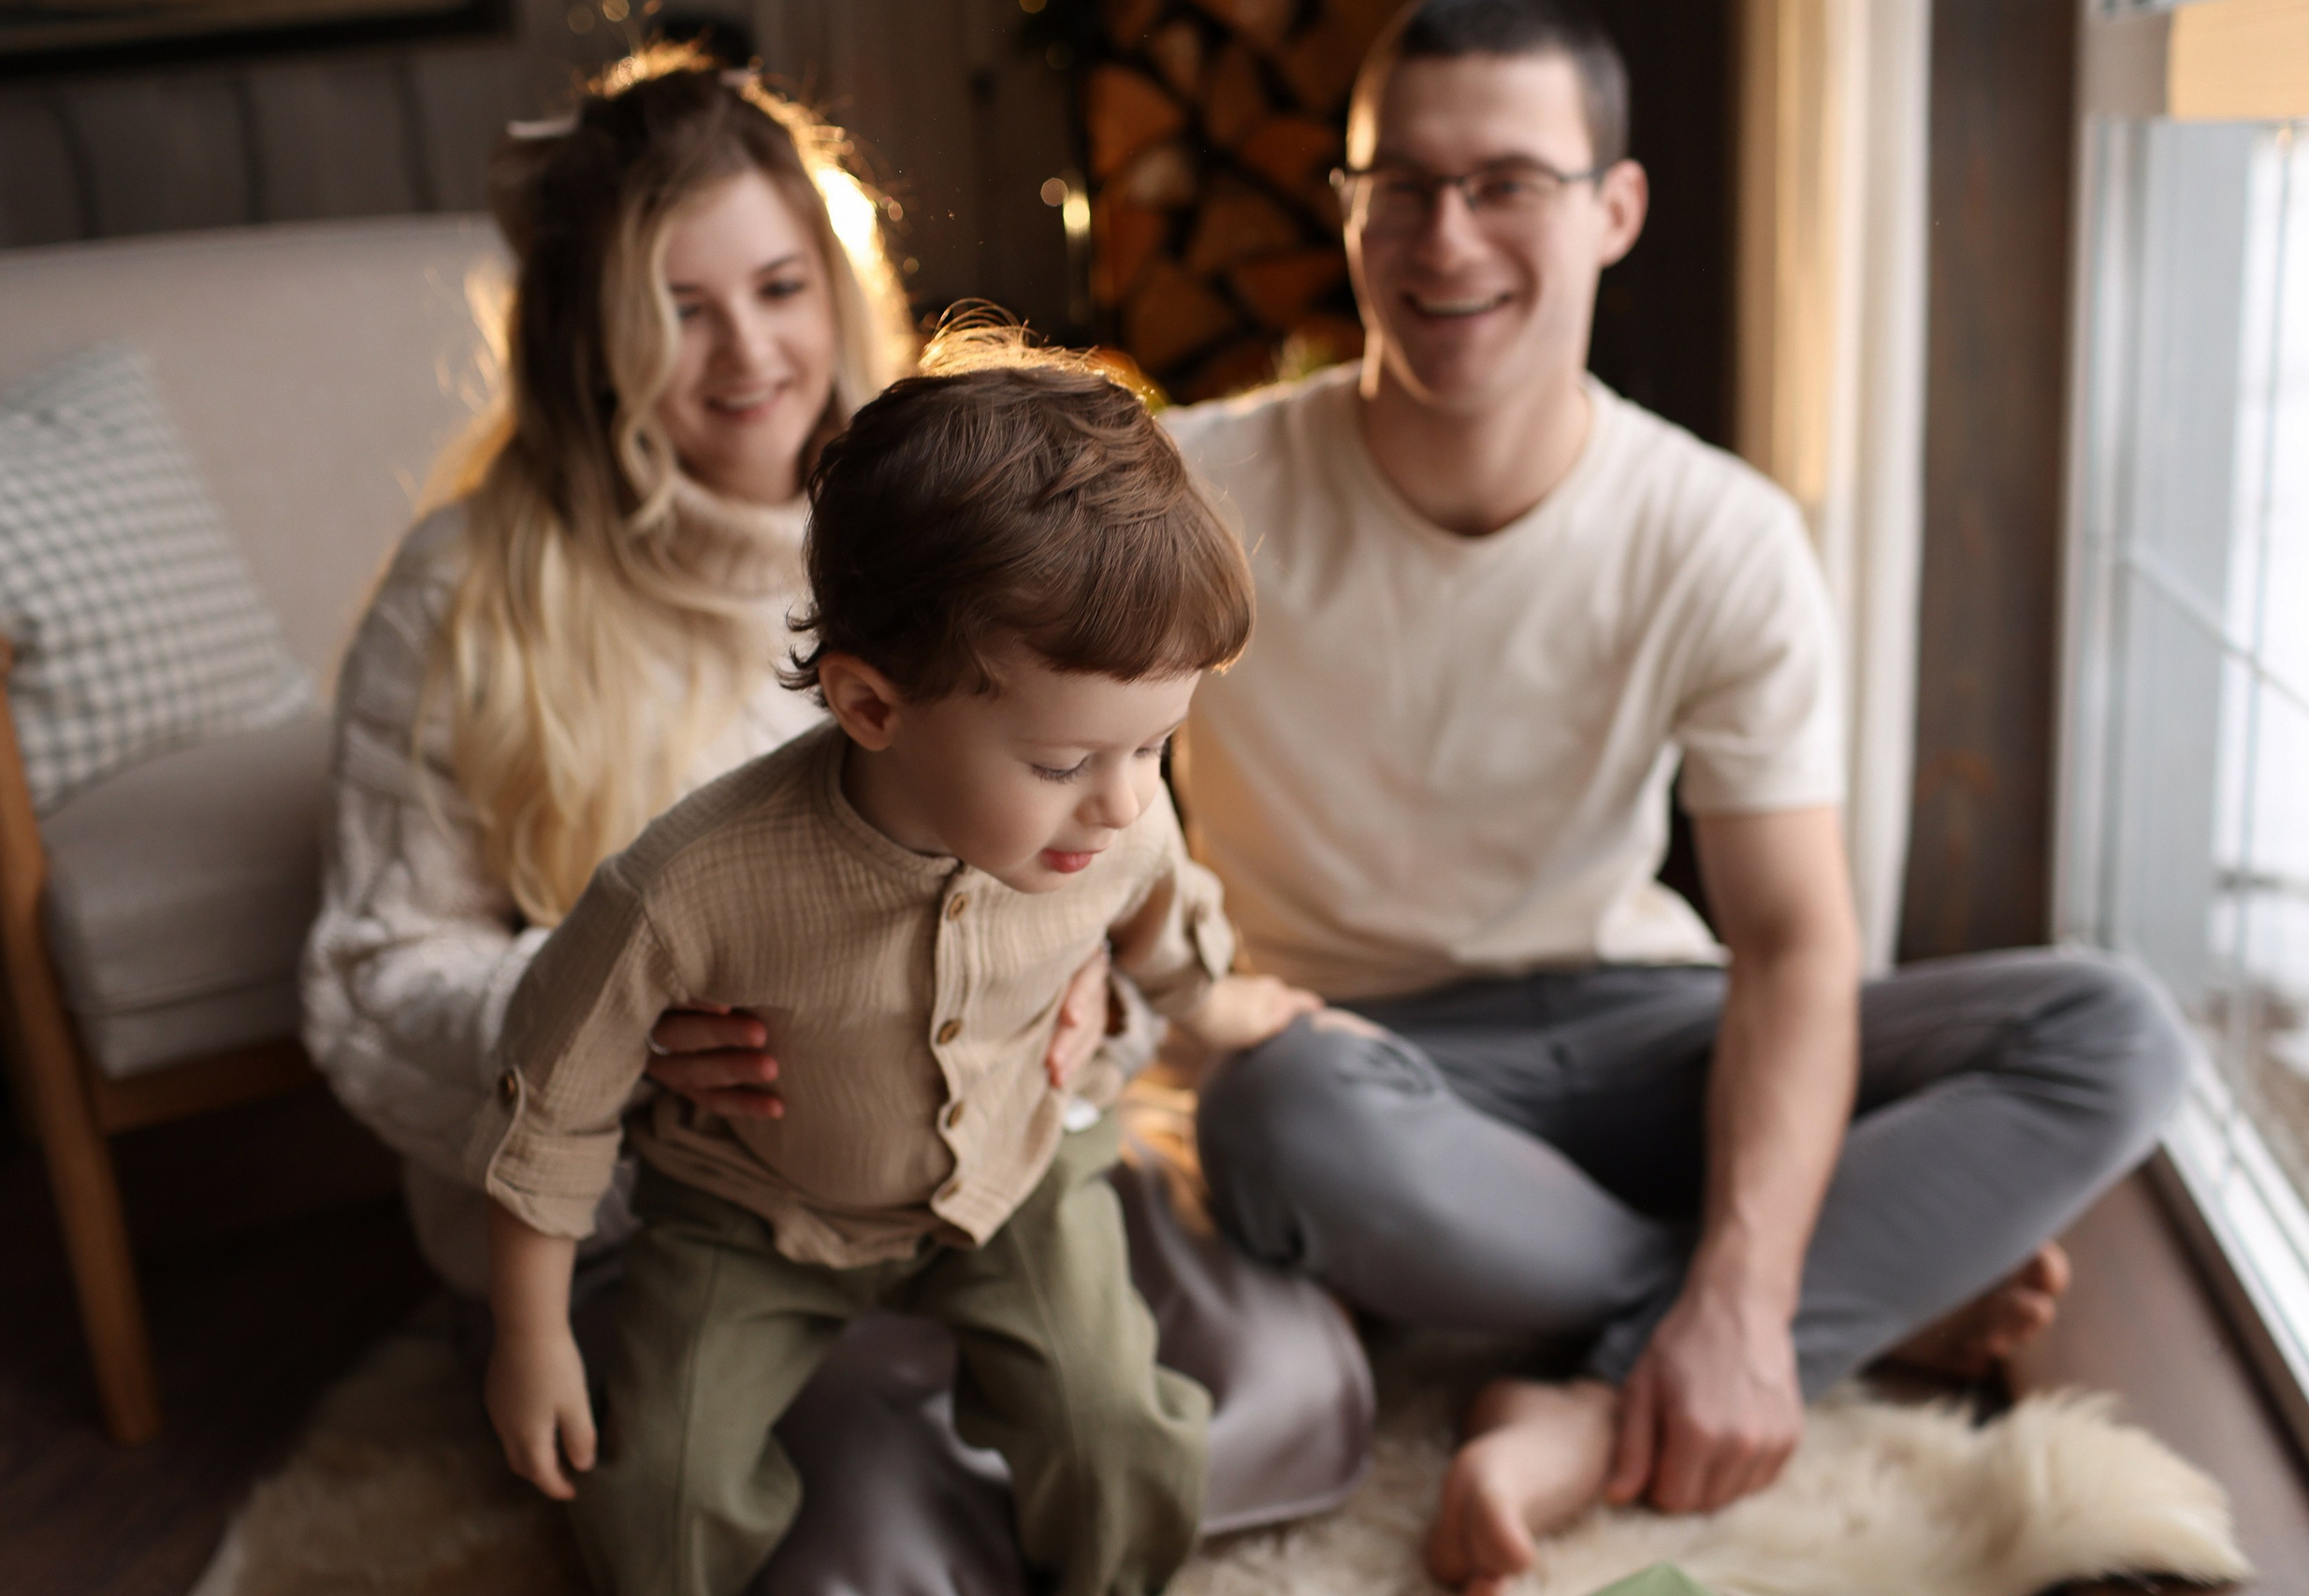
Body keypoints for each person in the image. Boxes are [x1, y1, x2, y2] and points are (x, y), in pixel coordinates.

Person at [301, 45, 1370, 1596]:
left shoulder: (966, 531)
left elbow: (1120, 865)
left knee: (1271, 1397)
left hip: (987, 1160)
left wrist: (1100, 994)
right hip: (703, 1207)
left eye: (781, 286)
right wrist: (632, 1032)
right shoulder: (468, 597)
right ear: (588, 339)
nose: (750, 349)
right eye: (679, 308)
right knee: (842, 1549)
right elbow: (375, 982)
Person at [1161, 0, 2190, 1583]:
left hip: (1643, 1026)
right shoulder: (1189, 495)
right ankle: (1842, 1294)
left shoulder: (1721, 532)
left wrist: (1749, 1292)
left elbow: (1792, 940)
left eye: (1508, 183)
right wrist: (1754, 1276)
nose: (1447, 237)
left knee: (2114, 1028)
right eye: (1402, 186)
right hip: (1365, 1064)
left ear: (1615, 209)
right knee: (1272, 1114)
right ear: (1348, 206)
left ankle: (1609, 1388)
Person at [477, 336, 1328, 1596]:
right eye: (1063, 765)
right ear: (872, 707)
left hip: (1013, 1173)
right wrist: (531, 1333)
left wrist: (1217, 997)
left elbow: (1162, 914)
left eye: (1155, 746)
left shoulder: (1118, 821)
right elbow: (551, 1102)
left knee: (1113, 1429)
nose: (1120, 803)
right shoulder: (687, 885)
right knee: (659, 1489)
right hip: (753, 1211)